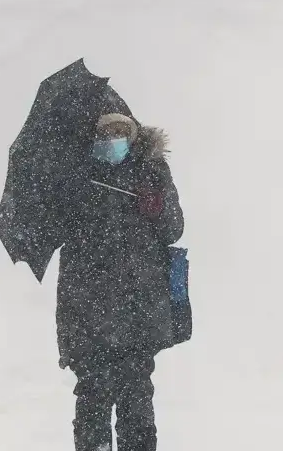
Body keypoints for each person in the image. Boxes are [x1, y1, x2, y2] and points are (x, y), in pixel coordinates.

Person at [55, 109, 186, 451]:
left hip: (138, 310)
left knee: (136, 399)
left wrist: (156, 205)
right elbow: (65, 239)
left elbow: (173, 230)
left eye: (118, 133)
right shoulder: (79, 177)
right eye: (104, 134)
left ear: (132, 137)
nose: (110, 140)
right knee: (92, 399)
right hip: (88, 311)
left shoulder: (152, 173)